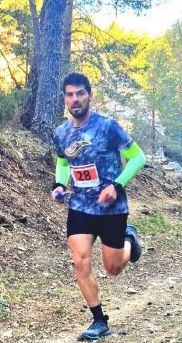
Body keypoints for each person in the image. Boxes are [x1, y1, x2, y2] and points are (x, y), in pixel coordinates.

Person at [51, 72, 145, 340]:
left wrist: (116, 185)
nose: (75, 99)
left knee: (113, 269)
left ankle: (129, 238)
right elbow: (62, 162)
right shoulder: (62, 133)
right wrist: (58, 185)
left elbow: (138, 157)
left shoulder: (108, 127)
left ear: (90, 95)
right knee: (80, 260)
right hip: (80, 206)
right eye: (69, 94)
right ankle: (99, 320)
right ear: (65, 99)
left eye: (80, 93)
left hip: (112, 209)